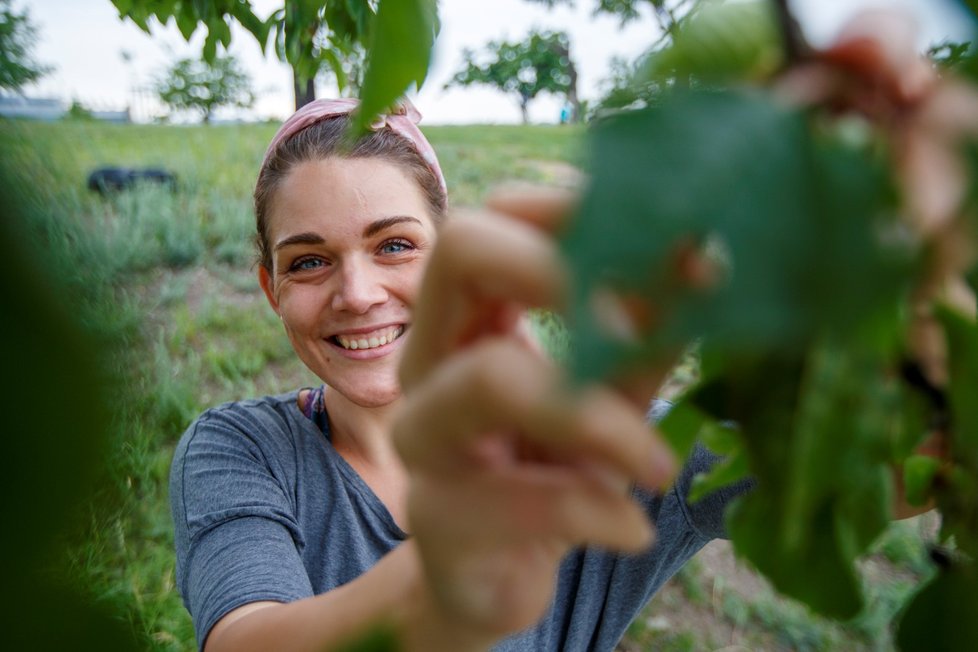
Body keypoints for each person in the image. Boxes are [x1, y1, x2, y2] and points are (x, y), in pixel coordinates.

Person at [169, 97, 750, 652]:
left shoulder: (599, 442)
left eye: (394, 245)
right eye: (309, 262)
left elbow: (804, 469)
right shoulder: (239, 451)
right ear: (272, 289)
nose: (358, 295)